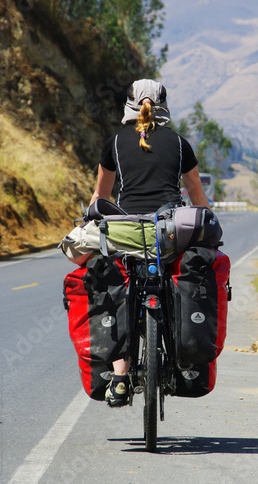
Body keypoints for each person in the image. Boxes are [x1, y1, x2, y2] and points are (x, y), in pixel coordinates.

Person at [90, 79, 210, 407]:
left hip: (126, 232)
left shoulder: (114, 144)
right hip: (169, 231)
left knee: (119, 286)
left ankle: (118, 377)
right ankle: (181, 348)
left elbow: (100, 197)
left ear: (129, 106)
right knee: (178, 278)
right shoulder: (180, 144)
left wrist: (88, 223)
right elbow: (197, 196)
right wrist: (211, 227)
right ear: (164, 107)